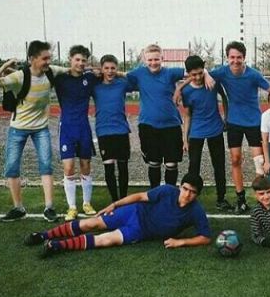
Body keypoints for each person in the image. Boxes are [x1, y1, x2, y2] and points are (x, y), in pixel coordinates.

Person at [24, 173, 211, 256]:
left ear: (197, 195)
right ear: (180, 187)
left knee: (106, 240)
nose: (187, 194)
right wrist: (114, 204)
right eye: (185, 189)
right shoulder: (168, 190)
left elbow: (205, 237)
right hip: (133, 212)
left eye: (193, 192)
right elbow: (140, 196)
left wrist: (181, 242)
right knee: (91, 223)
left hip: (140, 231)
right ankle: (43, 235)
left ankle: (57, 246)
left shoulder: (196, 211)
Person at [0, 40, 68, 222]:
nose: (48, 62)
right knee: (11, 168)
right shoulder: (19, 77)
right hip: (18, 129)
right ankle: (18, 208)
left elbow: (73, 70)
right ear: (32, 59)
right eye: (44, 58)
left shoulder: (51, 71)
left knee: (46, 166)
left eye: (49, 58)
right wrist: (4, 66)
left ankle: (49, 208)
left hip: (41, 129)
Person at [209, 41, 270, 214]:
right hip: (234, 122)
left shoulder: (254, 75)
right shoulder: (222, 71)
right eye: (232, 57)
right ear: (227, 58)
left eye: (239, 57)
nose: (235, 61)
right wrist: (204, 76)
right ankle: (241, 199)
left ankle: (261, 200)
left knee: (259, 163)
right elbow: (202, 73)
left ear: (244, 58)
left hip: (254, 122)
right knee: (235, 160)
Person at [127, 44, 186, 188]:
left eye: (156, 59)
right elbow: (119, 75)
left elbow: (196, 71)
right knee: (154, 163)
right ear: (144, 60)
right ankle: (155, 193)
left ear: (162, 59)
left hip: (171, 125)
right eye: (150, 60)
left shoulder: (170, 73)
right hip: (148, 126)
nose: (153, 63)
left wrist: (179, 87)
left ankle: (169, 193)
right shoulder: (138, 73)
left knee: (171, 163)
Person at [179, 55, 232, 211]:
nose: (197, 77)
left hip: (215, 130)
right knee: (193, 167)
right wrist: (185, 139)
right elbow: (187, 115)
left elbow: (224, 98)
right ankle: (190, 198)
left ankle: (221, 199)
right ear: (188, 73)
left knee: (219, 166)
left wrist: (226, 118)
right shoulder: (187, 91)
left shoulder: (212, 83)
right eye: (193, 74)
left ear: (204, 70)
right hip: (196, 133)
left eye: (200, 73)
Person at [54, 45, 99, 221]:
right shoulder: (60, 78)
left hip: (83, 127)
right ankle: (72, 207)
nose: (80, 63)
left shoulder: (89, 78)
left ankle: (86, 203)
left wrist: (94, 70)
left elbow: (105, 73)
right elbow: (40, 72)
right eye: (77, 59)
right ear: (70, 60)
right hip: (66, 127)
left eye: (83, 60)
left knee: (85, 165)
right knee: (68, 168)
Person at [92, 54, 134, 203]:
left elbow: (137, 78)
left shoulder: (122, 84)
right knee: (109, 167)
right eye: (106, 68)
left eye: (113, 68)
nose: (110, 71)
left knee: (123, 167)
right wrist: (93, 71)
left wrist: (121, 73)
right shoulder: (95, 86)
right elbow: (81, 75)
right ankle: (115, 201)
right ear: (101, 69)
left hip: (121, 130)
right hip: (104, 131)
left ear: (117, 69)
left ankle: (123, 199)